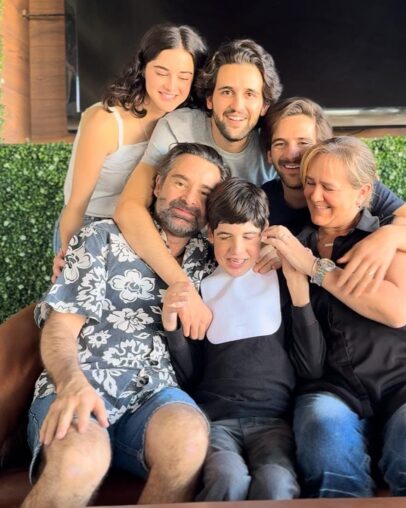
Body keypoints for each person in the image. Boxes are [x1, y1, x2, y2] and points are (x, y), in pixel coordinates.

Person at [22, 143, 230, 508]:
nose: (188, 199)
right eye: (180, 183)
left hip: (155, 394)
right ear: (157, 184)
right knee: (79, 460)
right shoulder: (100, 237)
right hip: (82, 381)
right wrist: (71, 383)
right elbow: (60, 328)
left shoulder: (212, 258)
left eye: (204, 192)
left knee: (189, 441)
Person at [262, 137, 406, 497]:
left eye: (328, 187)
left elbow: (395, 311)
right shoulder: (296, 246)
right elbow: (306, 361)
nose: (315, 195)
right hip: (334, 389)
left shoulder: (396, 236)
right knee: (323, 434)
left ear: (363, 192)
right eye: (310, 183)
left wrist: (315, 268)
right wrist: (295, 278)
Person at [112, 39, 282, 340]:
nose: (237, 106)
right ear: (209, 99)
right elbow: (129, 208)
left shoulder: (271, 149)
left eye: (250, 94)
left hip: (228, 269)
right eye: (226, 91)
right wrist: (183, 287)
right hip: (168, 259)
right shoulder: (178, 127)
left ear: (264, 105)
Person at [163, 178, 319, 501]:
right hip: (217, 422)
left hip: (274, 423)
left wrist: (299, 294)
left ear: (263, 232)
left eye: (248, 236)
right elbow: (189, 375)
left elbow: (312, 367)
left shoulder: (283, 282)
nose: (236, 250)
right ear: (210, 234)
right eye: (225, 237)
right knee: (227, 477)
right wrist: (171, 325)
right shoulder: (201, 288)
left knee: (276, 482)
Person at [260, 97, 406, 294]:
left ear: (323, 148)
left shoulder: (358, 190)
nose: (292, 154)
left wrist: (390, 236)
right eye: (280, 144)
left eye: (303, 142)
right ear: (269, 154)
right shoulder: (261, 200)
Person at [54, 23, 207, 258]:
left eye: (183, 77)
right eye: (161, 72)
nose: (171, 86)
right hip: (90, 226)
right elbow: (75, 207)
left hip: (142, 230)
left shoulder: (184, 122)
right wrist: (69, 257)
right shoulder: (105, 121)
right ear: (143, 68)